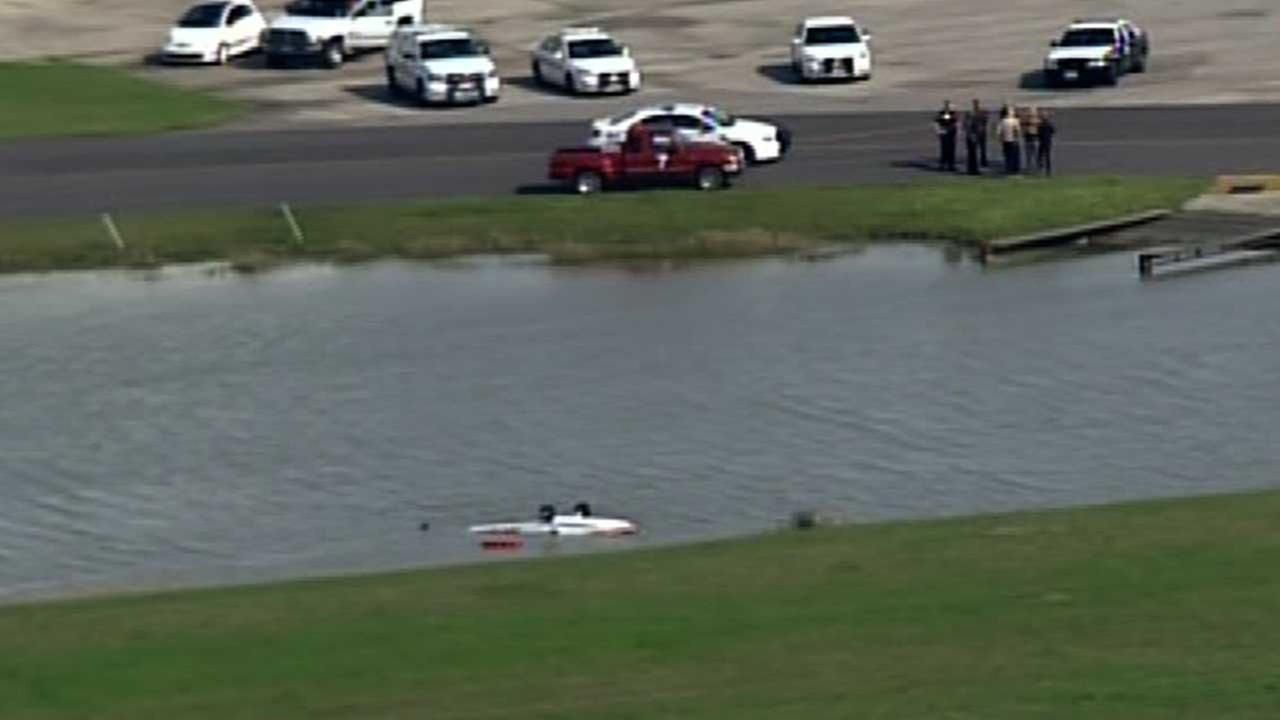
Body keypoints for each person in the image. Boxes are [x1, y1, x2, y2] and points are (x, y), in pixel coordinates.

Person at [933, 100, 958, 172]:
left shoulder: (953, 113)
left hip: (951, 133)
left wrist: (957, 131)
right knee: (944, 149)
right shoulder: (941, 113)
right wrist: (939, 131)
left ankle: (951, 165)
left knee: (952, 150)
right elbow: (936, 122)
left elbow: (956, 122)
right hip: (944, 133)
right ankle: (942, 165)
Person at [998, 106, 1021, 174]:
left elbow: (999, 132)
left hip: (1006, 141)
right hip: (1012, 140)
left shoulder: (1002, 121)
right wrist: (1016, 139)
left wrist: (1001, 139)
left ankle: (1009, 169)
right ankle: (1013, 169)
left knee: (1007, 155)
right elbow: (1017, 131)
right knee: (1012, 155)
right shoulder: (1014, 120)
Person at [964, 108, 984, 175]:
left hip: (971, 138)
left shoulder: (969, 121)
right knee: (973, 155)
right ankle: (973, 170)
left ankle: (971, 169)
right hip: (972, 139)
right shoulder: (971, 121)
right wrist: (974, 136)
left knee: (972, 155)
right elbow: (972, 130)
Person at [1037, 108, 1056, 176]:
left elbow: (1038, 133)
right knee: (1047, 157)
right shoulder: (1049, 124)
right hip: (1048, 142)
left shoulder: (1040, 124)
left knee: (1040, 156)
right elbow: (1053, 131)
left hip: (1042, 142)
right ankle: (1048, 170)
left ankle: (1041, 168)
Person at [971, 99, 990, 167]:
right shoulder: (973, 113)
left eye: (976, 103)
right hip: (977, 132)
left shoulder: (981, 112)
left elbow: (985, 120)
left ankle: (983, 161)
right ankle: (979, 161)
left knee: (983, 148)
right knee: (977, 148)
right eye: (975, 104)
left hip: (981, 132)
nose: (976, 105)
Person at [1022, 105, 1041, 174]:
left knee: (1035, 153)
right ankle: (1029, 167)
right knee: (1029, 154)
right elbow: (1023, 125)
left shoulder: (1037, 120)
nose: (1031, 113)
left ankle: (1037, 166)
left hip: (1034, 137)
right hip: (1028, 137)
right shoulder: (1026, 119)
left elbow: (1038, 126)